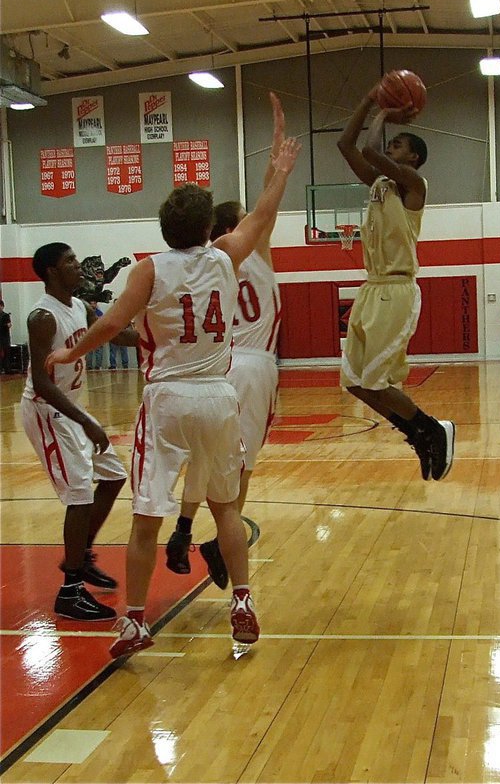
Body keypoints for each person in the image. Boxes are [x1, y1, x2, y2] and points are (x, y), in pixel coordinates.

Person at [47, 133, 301, 658]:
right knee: (227, 509)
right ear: (209, 229)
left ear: (164, 229)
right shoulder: (227, 257)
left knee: (146, 519)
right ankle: (244, 602)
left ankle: (136, 622)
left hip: (166, 400)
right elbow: (263, 214)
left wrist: (71, 355)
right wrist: (278, 170)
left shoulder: (149, 269)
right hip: (217, 395)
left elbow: (113, 323)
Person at [166, 93, 286, 589]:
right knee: (243, 464)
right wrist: (277, 153)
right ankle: (221, 535)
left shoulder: (206, 260)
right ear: (238, 225)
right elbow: (267, 198)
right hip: (254, 366)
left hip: (218, 366)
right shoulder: (249, 248)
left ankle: (185, 525)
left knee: (207, 454)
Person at [335, 82, 455, 482]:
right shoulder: (378, 184)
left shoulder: (413, 185)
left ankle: (433, 429)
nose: (391, 147)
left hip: (397, 289)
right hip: (371, 288)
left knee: (375, 380)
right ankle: (419, 434)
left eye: (399, 144)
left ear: (414, 158)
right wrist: (369, 97)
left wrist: (384, 111)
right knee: (354, 383)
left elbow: (368, 150)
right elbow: (345, 144)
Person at [21, 243, 137, 620]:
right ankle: (69, 591)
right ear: (52, 271)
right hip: (47, 411)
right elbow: (41, 381)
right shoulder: (43, 317)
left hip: (72, 408)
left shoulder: (82, 307)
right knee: (79, 495)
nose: (78, 265)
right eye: (70, 260)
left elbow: (116, 334)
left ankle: (81, 555)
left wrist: (159, 330)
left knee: (114, 476)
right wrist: (86, 421)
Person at [86, 300, 105, 370]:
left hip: (98, 333)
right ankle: (89, 366)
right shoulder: (86, 313)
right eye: (91, 304)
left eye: (94, 303)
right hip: (89, 334)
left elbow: (102, 323)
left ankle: (98, 366)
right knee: (88, 351)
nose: (92, 305)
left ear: (96, 304)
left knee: (99, 351)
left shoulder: (100, 313)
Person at [0, 300, 12, 374]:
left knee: (6, 353)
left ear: (2, 306)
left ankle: (7, 368)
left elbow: (9, 325)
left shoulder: (6, 315)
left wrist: (7, 325)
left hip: (4, 337)